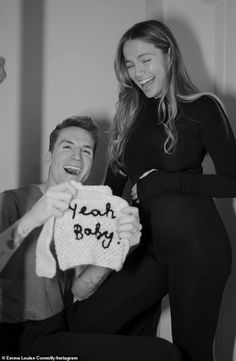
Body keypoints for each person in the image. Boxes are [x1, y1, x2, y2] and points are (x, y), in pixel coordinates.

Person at [100, 19, 234, 361]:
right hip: (145, 248)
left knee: (191, 352)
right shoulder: (128, 114)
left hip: (198, 249)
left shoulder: (202, 107)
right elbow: (111, 191)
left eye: (145, 60)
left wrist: (169, 181)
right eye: (130, 64)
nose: (137, 72)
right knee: (93, 321)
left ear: (169, 54)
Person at [0, 116, 182, 361]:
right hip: (16, 337)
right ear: (49, 157)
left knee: (157, 274)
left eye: (86, 151)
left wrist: (120, 247)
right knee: (164, 355)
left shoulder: (83, 216)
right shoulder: (12, 201)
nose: (76, 157)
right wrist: (34, 217)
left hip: (60, 325)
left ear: (90, 165)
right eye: (67, 146)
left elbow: (81, 289)